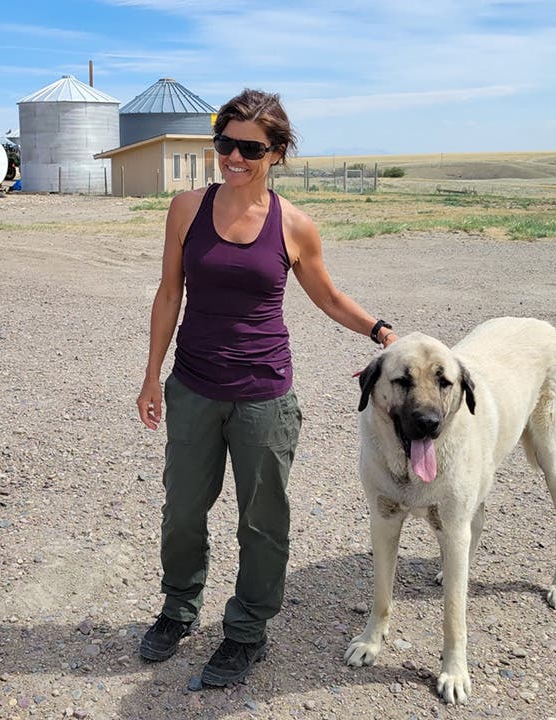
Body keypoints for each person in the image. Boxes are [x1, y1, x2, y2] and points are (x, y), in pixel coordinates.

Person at [135, 88, 400, 687]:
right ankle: (178, 609)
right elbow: (169, 293)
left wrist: (380, 331)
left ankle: (247, 631)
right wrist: (152, 375)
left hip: (264, 395)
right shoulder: (186, 209)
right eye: (225, 143)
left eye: (250, 148)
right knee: (182, 510)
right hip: (193, 387)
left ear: (277, 153)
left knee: (261, 519)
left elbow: (328, 296)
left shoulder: (294, 226)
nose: (234, 157)